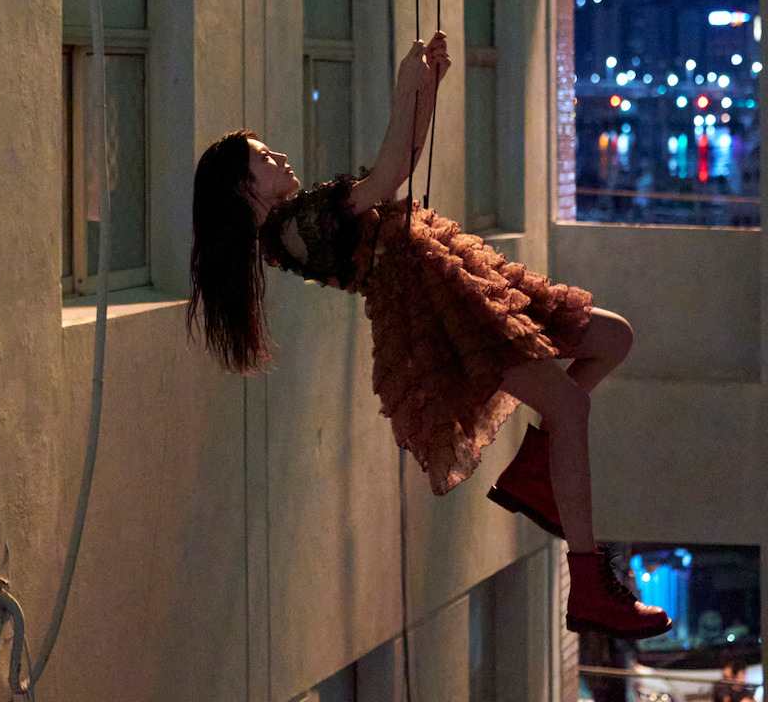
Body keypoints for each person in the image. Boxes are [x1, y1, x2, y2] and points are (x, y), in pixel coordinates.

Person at [187, 31, 672, 640]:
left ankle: (536, 472)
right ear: (242, 187)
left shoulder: (297, 220)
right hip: (443, 311)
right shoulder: (293, 228)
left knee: (612, 339)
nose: (278, 158)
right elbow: (388, 177)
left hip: (457, 285)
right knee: (569, 403)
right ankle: (589, 585)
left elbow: (401, 167)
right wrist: (404, 87)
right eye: (263, 158)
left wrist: (426, 91)